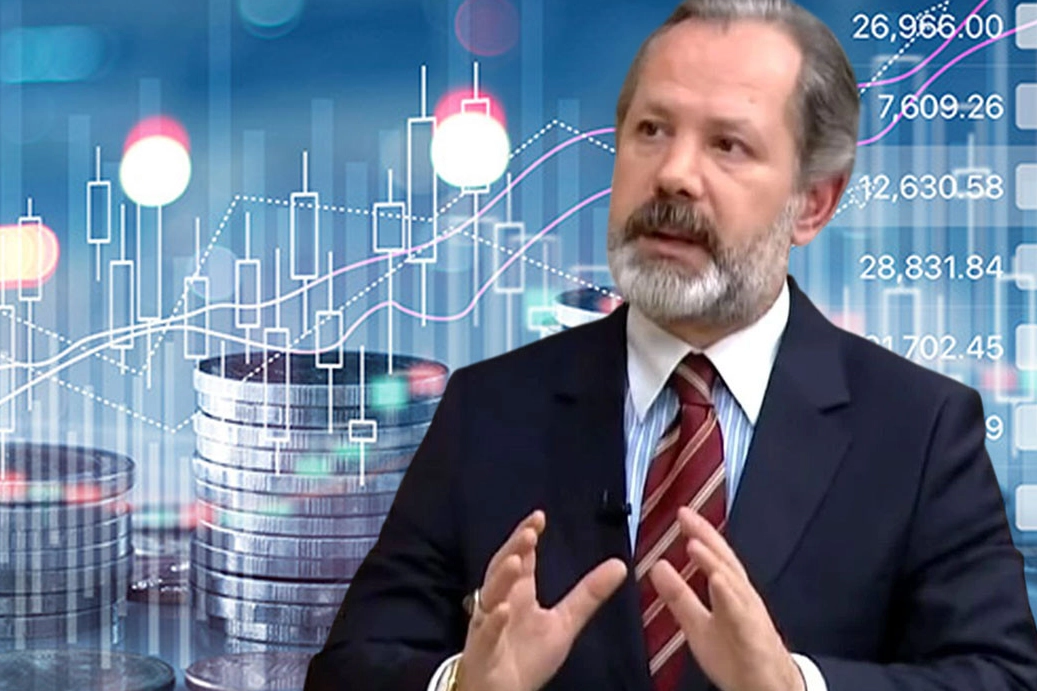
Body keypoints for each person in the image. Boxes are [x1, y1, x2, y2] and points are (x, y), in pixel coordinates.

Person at [304, 0, 1037, 689]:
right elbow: (346, 669)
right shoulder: (489, 408)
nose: (674, 174)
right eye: (651, 130)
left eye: (727, 144)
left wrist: (793, 686)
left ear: (812, 203)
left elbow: (1002, 676)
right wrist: (468, 682)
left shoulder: (920, 430)